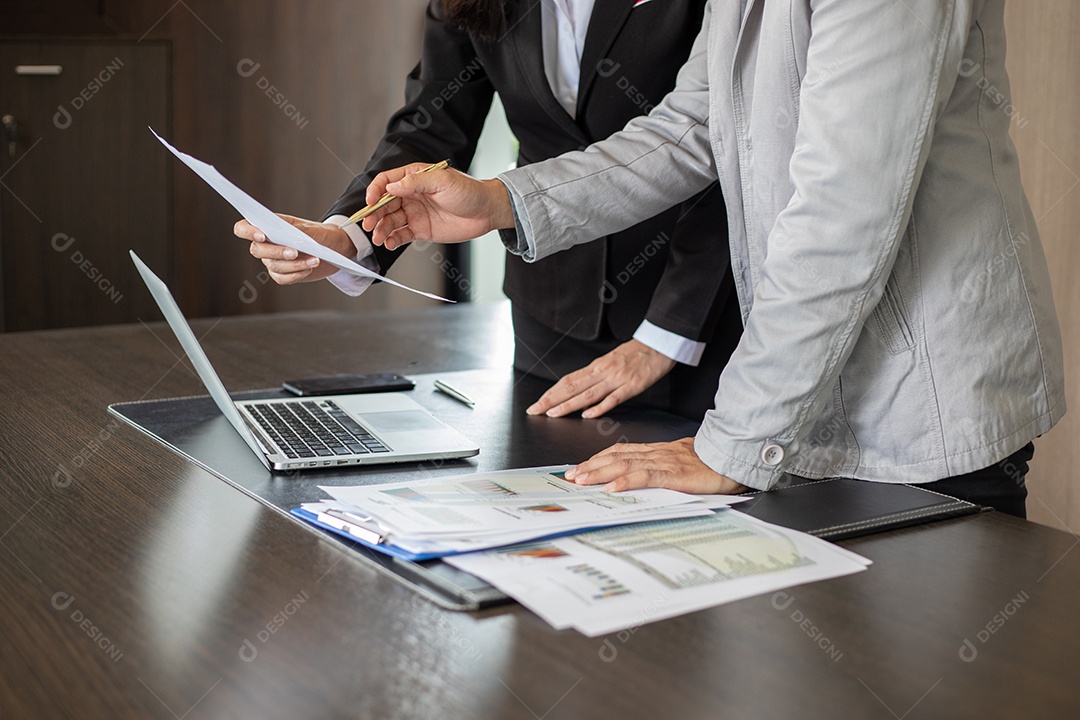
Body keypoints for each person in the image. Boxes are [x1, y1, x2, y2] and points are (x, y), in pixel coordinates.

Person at [356, 0, 1065, 517]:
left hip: (920, 413)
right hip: (799, 409)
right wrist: (504, 200)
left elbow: (842, 216)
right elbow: (690, 126)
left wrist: (733, 445)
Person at [234, 0, 743, 422]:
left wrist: (669, 333)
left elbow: (722, 149)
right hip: (553, 310)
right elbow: (431, 126)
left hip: (701, 312)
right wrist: (349, 237)